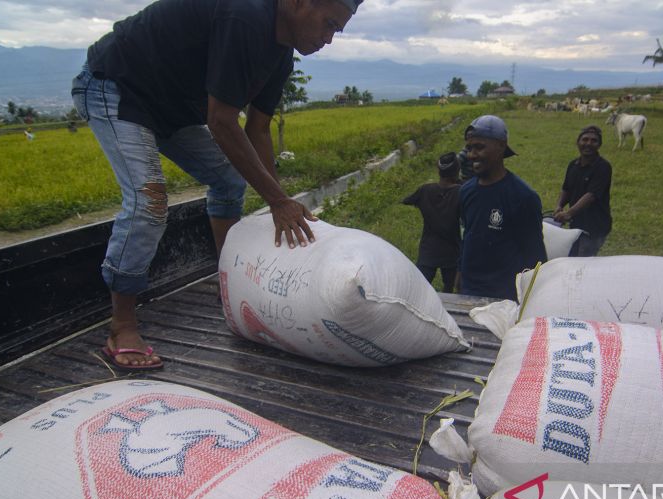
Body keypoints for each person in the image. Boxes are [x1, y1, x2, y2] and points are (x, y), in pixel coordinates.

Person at [71, 0, 363, 370]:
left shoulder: (281, 56)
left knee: (228, 180)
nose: (329, 38)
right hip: (117, 86)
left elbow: (256, 130)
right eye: (328, 24)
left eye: (336, 30)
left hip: (171, 108)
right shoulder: (245, 16)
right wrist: (276, 201)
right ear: (297, 3)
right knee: (150, 201)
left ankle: (229, 281)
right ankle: (121, 326)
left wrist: (283, 199)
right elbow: (222, 122)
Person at [457, 115, 547, 301]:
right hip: (469, 290)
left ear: (501, 146)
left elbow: (535, 258)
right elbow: (468, 237)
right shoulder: (466, 191)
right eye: (469, 148)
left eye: (479, 147)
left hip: (504, 298)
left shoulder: (523, 197)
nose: (472, 155)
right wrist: (460, 277)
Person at [402, 152, 462, 293]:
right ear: (457, 171)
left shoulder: (425, 190)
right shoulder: (461, 192)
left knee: (419, 287)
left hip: (428, 250)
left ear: (438, 170)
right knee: (449, 287)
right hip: (452, 250)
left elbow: (407, 200)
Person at [553, 125, 612, 256]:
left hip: (594, 226)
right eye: (585, 139)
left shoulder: (603, 167)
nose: (588, 144)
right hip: (576, 223)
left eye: (593, 140)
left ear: (599, 144)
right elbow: (566, 188)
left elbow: (591, 196)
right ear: (578, 142)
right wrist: (559, 206)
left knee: (583, 261)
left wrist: (568, 213)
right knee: (572, 255)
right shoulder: (573, 165)